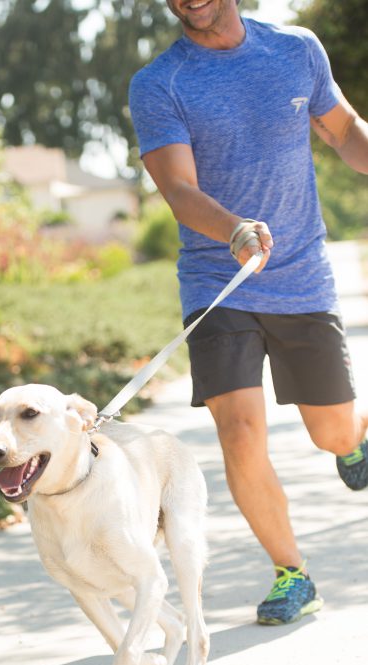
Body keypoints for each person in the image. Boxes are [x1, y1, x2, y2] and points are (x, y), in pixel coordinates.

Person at [128, 0, 368, 625]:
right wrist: (233, 230)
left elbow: (342, 131)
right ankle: (293, 573)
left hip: (301, 280)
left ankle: (355, 437)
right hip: (219, 280)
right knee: (238, 430)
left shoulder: (295, 50)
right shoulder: (159, 83)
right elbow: (179, 190)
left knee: (333, 432)